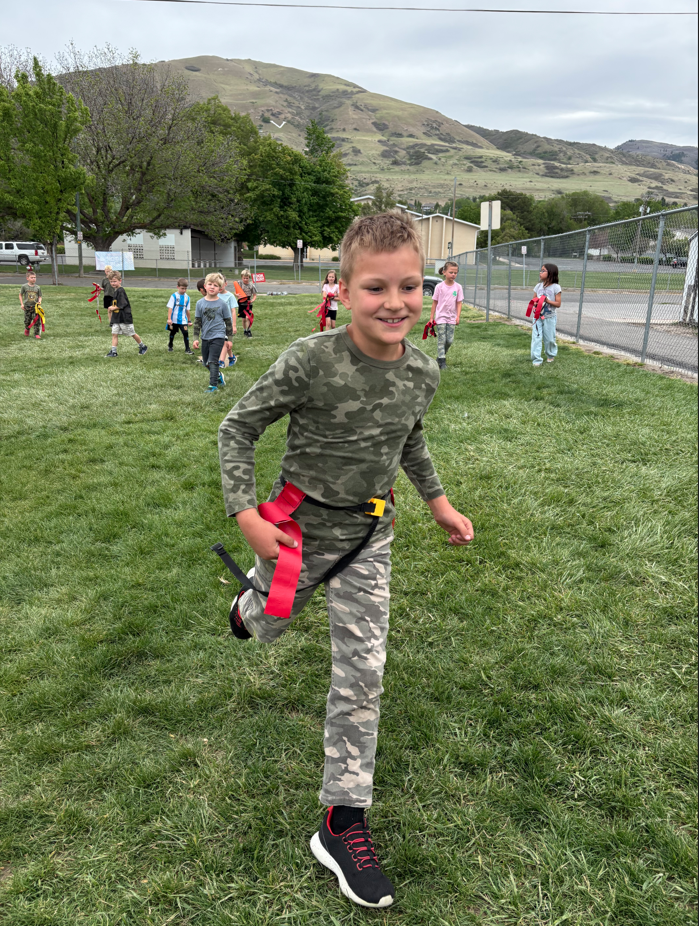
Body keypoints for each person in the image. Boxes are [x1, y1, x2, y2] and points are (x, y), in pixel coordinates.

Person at [217, 212, 474, 909]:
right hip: (293, 536)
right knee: (267, 625)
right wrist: (246, 514)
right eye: (374, 288)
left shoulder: (422, 371)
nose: (394, 302)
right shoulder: (310, 359)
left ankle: (341, 820)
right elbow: (238, 426)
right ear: (342, 289)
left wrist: (438, 502)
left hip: (368, 539)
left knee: (361, 672)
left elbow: (408, 438)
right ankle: (249, 607)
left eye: (409, 285)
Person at [192, 272, 233, 392]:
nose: (212, 287)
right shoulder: (200, 303)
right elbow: (197, 322)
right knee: (206, 363)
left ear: (220, 289)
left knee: (213, 361)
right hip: (205, 336)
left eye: (215, 285)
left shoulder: (222, 304)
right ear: (205, 286)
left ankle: (213, 386)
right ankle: (218, 377)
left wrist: (229, 340)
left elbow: (228, 322)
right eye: (210, 284)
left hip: (219, 336)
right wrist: (195, 338)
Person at [428, 260, 463, 370]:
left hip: (451, 317)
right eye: (451, 272)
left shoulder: (458, 287)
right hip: (441, 317)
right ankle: (442, 362)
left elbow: (459, 302)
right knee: (442, 339)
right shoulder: (439, 287)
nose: (453, 275)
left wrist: (458, 316)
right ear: (444, 272)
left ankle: (440, 356)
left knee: (449, 340)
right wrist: (431, 318)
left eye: (455, 273)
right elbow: (435, 302)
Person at [105, 272, 148, 358]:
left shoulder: (121, 291)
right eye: (111, 281)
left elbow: (123, 304)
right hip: (117, 318)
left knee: (131, 333)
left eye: (114, 281)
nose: (113, 283)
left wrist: (113, 308)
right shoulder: (116, 291)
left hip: (124, 318)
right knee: (114, 333)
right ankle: (114, 352)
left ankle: (142, 346)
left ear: (120, 281)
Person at [531, 263, 561, 366]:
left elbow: (558, 304)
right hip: (537, 317)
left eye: (543, 271)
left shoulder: (556, 287)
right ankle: (536, 359)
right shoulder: (538, 286)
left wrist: (547, 301)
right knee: (536, 338)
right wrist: (536, 302)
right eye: (541, 270)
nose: (540, 272)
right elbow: (533, 299)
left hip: (549, 317)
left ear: (550, 273)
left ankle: (550, 355)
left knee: (549, 339)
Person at [166, 278, 193, 354]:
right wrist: (169, 319)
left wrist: (189, 320)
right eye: (182, 288)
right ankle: (170, 345)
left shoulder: (187, 298)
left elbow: (187, 310)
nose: (184, 290)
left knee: (185, 333)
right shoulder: (174, 296)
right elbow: (170, 308)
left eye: (185, 288)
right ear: (177, 287)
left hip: (183, 320)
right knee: (173, 333)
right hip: (174, 319)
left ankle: (187, 349)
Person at [217, 277, 238, 368]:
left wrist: (234, 325)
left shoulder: (230, 296)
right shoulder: (215, 295)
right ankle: (231, 357)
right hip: (218, 323)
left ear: (226, 284)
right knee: (224, 343)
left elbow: (233, 311)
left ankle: (221, 362)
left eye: (222, 284)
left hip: (227, 323)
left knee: (224, 342)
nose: (220, 287)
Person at [19, 268, 43, 339]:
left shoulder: (38, 287)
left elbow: (40, 296)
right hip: (27, 306)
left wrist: (39, 302)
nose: (33, 279)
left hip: (35, 307)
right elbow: (20, 294)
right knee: (27, 320)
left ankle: (36, 334)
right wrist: (22, 304)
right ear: (27, 278)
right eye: (32, 277)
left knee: (36, 321)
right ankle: (27, 328)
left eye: (35, 277)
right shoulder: (24, 286)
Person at [235, 269, 257, 338]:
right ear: (242, 277)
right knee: (243, 318)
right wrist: (237, 295)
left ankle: (249, 330)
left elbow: (254, 295)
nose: (245, 279)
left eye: (247, 278)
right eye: (244, 278)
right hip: (241, 303)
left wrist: (253, 300)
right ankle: (244, 330)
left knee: (248, 317)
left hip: (248, 303)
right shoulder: (240, 284)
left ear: (249, 278)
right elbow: (235, 292)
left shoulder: (251, 286)